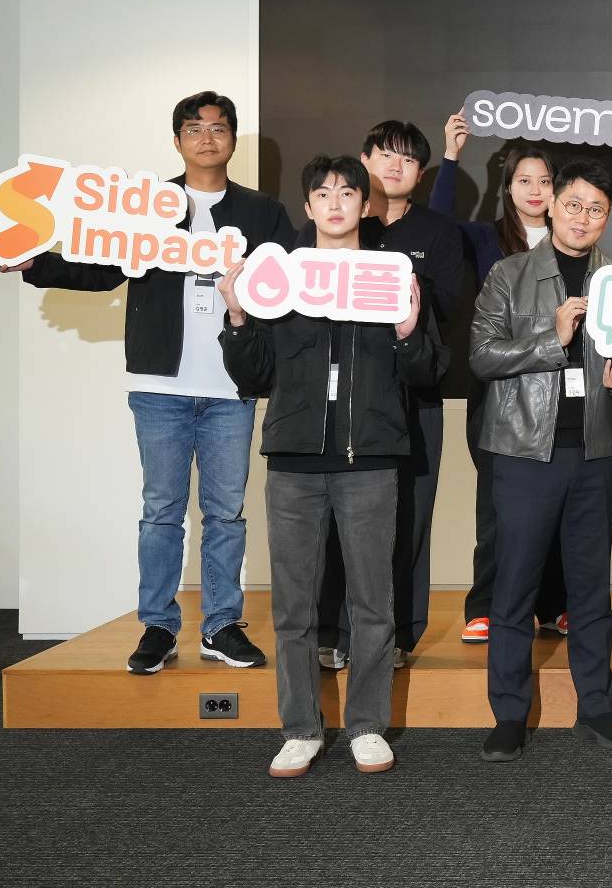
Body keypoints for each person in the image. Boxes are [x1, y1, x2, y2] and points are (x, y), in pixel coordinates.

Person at [0, 91, 295, 675]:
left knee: (226, 513)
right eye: (194, 129)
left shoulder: (263, 211)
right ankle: (158, 625)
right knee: (161, 511)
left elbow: (286, 286)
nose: (207, 138)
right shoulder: (149, 206)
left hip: (232, 385)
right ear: (177, 141)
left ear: (232, 139)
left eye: (218, 128)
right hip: (160, 384)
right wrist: (37, 263)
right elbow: (103, 266)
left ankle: (221, 626)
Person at [216, 155, 447, 778]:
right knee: (293, 608)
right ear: (309, 207)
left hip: (370, 459)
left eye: (348, 193)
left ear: (366, 206)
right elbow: (255, 375)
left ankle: (367, 726)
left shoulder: (391, 277)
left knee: (373, 603)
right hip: (294, 460)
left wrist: (407, 331)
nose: (337, 203)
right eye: (323, 193)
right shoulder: (280, 277)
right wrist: (237, 315)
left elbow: (428, 371)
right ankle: (299, 729)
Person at [472, 158, 612, 762]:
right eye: (574, 205)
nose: (583, 218)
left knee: (591, 589)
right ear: (551, 205)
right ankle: (509, 714)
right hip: (523, 453)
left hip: (595, 453)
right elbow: (481, 356)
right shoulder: (509, 273)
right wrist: (552, 338)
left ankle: (596, 706)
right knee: (514, 586)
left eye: (596, 209)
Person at [315, 120, 468, 670]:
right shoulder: (340, 224)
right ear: (364, 161)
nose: (394, 166)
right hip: (346, 394)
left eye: (407, 159)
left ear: (421, 173)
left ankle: (400, 633)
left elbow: (452, 307)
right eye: (384, 155)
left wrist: (406, 290)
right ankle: (332, 630)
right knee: (337, 514)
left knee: (411, 515)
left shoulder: (439, 232)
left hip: (416, 393)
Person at [431, 118, 564, 643]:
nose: (535, 190)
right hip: (496, 391)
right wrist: (450, 157)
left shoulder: (572, 239)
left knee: (557, 502)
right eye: (524, 180)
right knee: (497, 505)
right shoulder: (486, 237)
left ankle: (552, 605)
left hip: (557, 392)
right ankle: (484, 605)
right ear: (507, 188)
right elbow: (438, 224)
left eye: (545, 181)